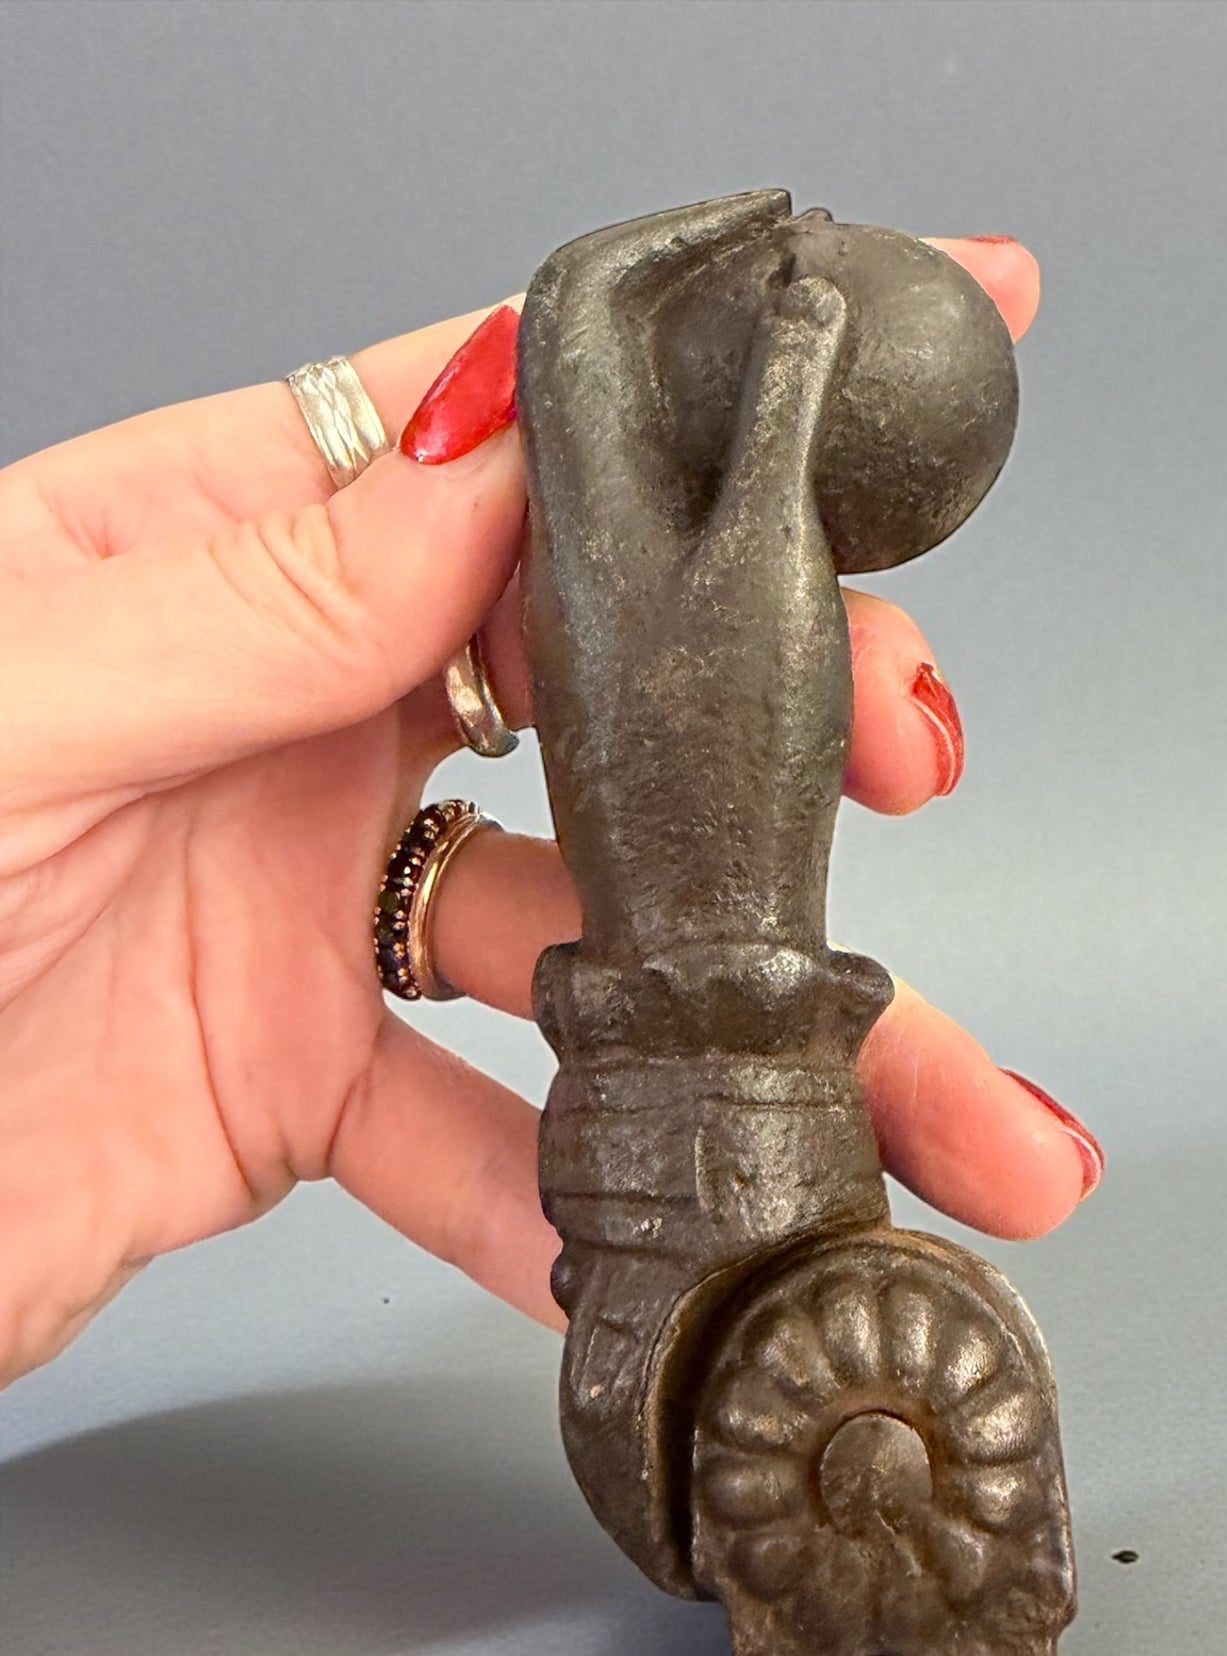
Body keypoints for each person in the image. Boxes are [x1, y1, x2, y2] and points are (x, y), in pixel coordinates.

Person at [0, 233, 1101, 1388]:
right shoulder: (680, 517)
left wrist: (768, 355)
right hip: (694, 1072)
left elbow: (596, 312)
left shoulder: (709, 529)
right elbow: (591, 308)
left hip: (699, 1078)